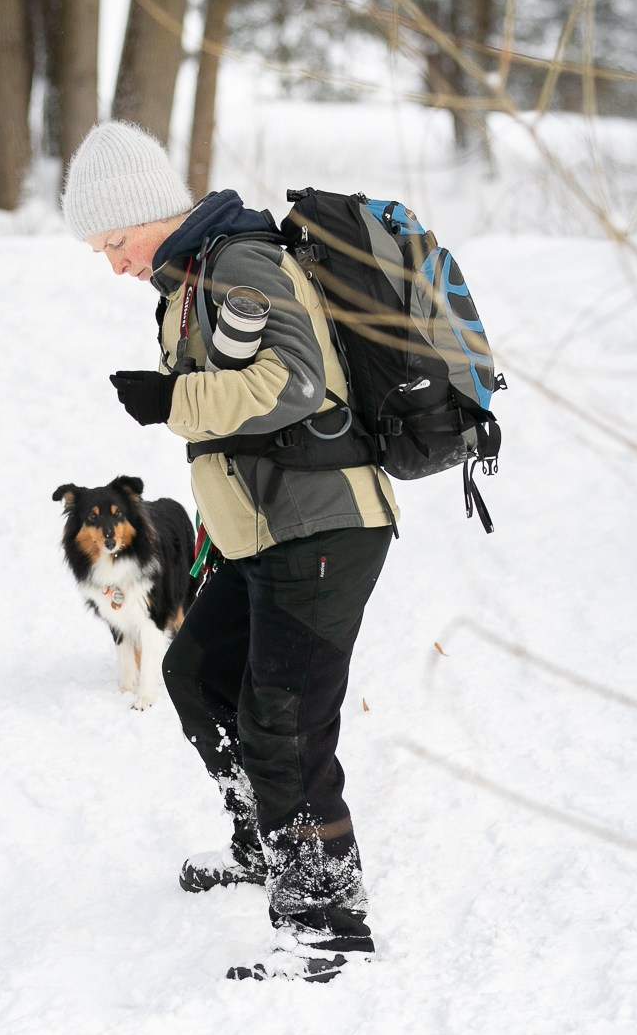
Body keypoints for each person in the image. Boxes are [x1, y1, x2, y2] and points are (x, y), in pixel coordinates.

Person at [61, 120, 399, 982]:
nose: (113, 263)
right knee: (197, 677)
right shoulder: (191, 277)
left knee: (282, 723)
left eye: (114, 241)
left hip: (324, 525)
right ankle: (262, 844)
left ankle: (326, 921)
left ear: (148, 214)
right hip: (264, 533)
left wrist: (173, 399)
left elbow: (293, 384)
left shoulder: (240, 261)